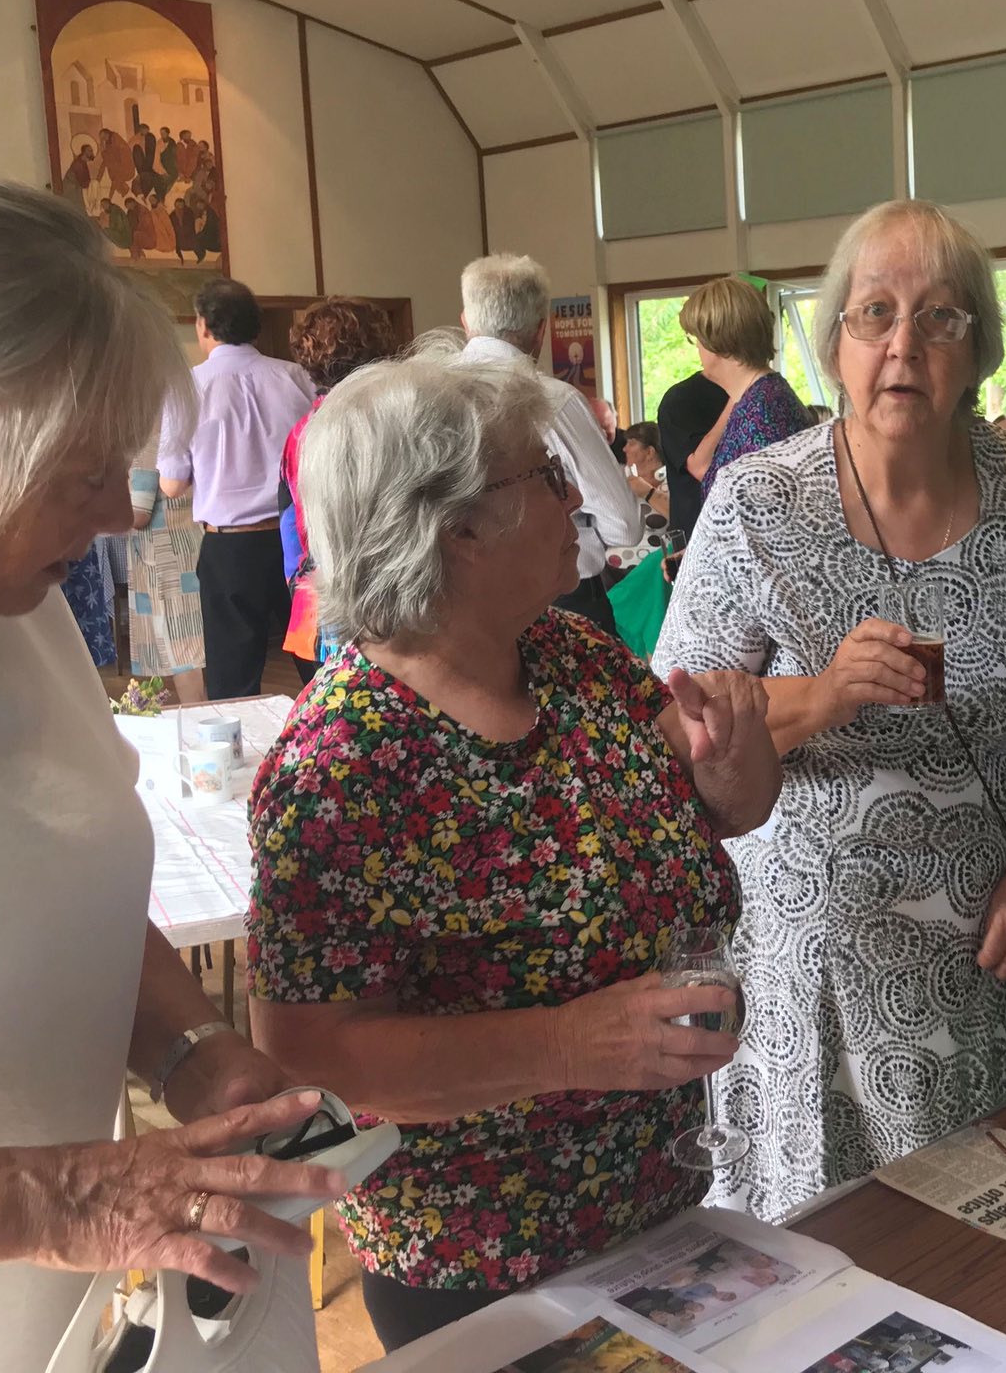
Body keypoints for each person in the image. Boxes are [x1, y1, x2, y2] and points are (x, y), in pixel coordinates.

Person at [0, 152, 345, 1369]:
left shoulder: (8, 605)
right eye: (84, 476)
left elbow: (58, 888)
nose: (127, 512)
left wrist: (191, 1048)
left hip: (62, 1327)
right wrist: (42, 1199)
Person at [244, 355, 781, 1351]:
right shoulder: (343, 766)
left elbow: (722, 810)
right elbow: (305, 1059)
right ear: (454, 527)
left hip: (662, 1211)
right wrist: (570, 1044)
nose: (579, 492)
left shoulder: (574, 660)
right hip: (480, 1273)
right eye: (542, 475)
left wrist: (734, 772)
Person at [654, 199, 1006, 1220]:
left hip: (991, 957)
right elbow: (675, 726)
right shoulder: (756, 505)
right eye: (873, 313)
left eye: (939, 318)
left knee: (988, 1250)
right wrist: (824, 693)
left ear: (978, 351)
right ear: (834, 346)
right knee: (822, 1276)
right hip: (812, 978)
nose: (902, 344)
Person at [456, 252, 640, 635]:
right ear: (542, 330)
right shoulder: (554, 401)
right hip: (558, 602)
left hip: (460, 603)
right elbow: (623, 526)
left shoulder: (426, 396)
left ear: (465, 322)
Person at [157, 276, 313, 697]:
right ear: (255, 327)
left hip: (229, 549)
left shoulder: (186, 387)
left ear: (203, 325)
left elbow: (171, 485)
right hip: (297, 541)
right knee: (318, 669)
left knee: (232, 680)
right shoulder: (296, 377)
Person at [277, 296, 399, 682]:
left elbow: (288, 525)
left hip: (320, 611)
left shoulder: (301, 433)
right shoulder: (398, 421)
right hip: (395, 607)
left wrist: (301, 588)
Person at [682, 276, 810, 496]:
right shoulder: (758, 397)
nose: (698, 351)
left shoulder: (763, 411)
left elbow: (771, 518)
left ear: (720, 341)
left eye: (697, 340)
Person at [126, 450, 206, 704]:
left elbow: (139, 514)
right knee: (190, 649)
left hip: (164, 559)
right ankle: (206, 718)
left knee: (182, 654)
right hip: (189, 547)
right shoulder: (180, 431)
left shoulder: (146, 445)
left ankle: (199, 724)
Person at [658, 370, 728, 541]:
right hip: (697, 540)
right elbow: (703, 468)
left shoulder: (766, 394)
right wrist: (735, 400)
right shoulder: (680, 400)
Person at [623, 418, 670, 520]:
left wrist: (647, 492)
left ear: (649, 452)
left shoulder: (675, 483)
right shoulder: (621, 478)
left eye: (631, 443)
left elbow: (683, 518)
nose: (625, 449)